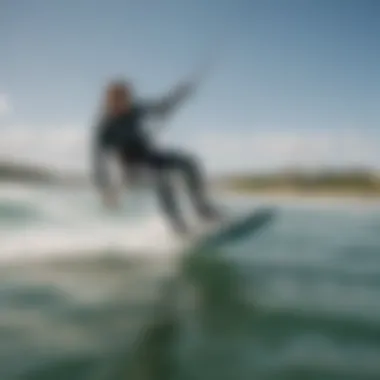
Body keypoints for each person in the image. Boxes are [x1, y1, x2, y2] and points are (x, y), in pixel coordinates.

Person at [92, 78, 221, 234]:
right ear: (111, 101)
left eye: (127, 98)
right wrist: (106, 189)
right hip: (131, 168)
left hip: (151, 157)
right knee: (162, 179)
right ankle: (178, 227)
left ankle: (202, 209)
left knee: (189, 163)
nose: (126, 102)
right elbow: (98, 161)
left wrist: (181, 93)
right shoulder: (106, 127)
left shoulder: (134, 109)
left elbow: (162, 108)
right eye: (121, 99)